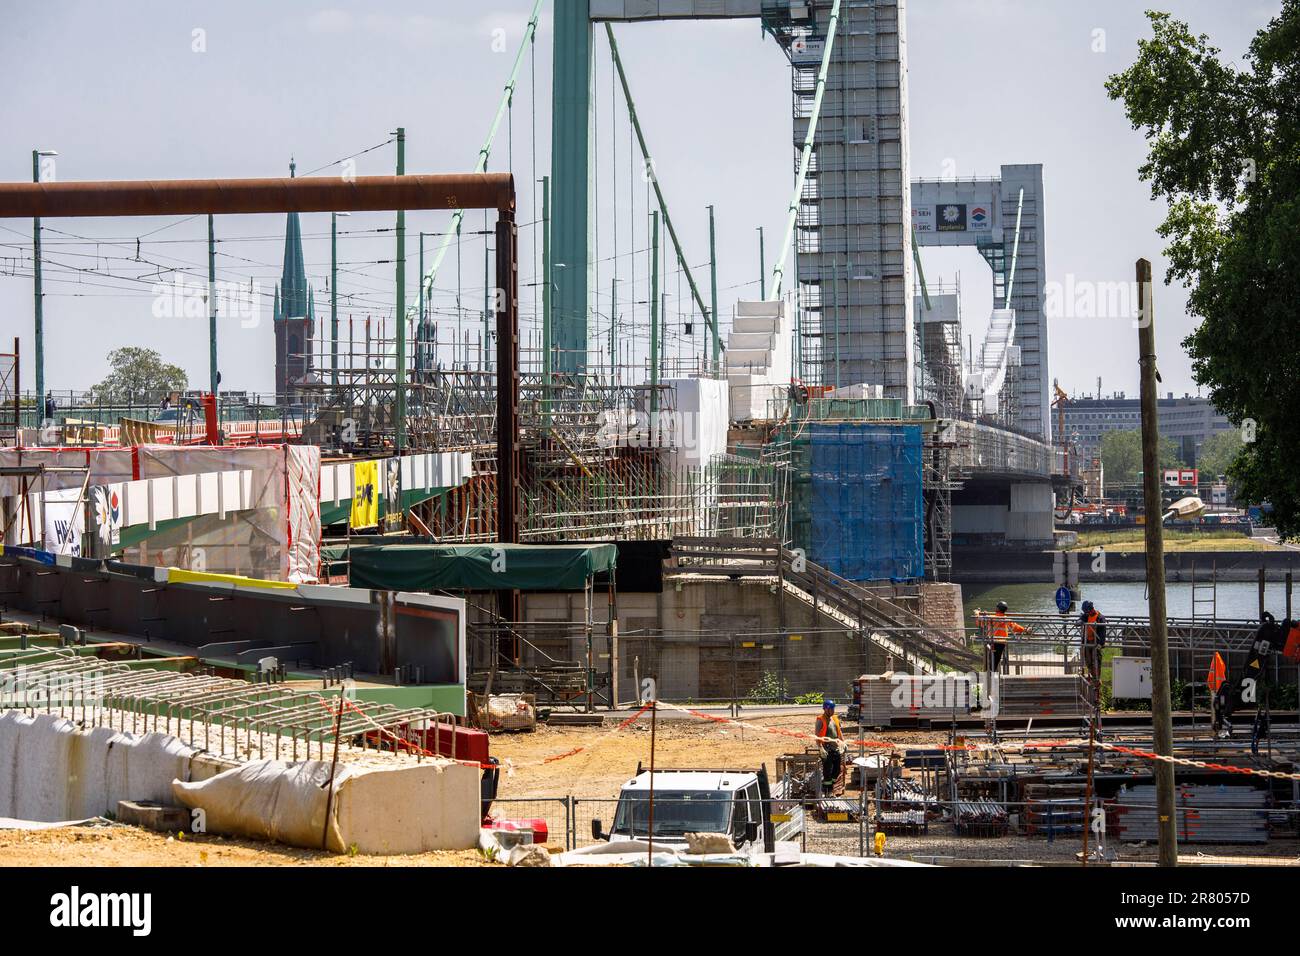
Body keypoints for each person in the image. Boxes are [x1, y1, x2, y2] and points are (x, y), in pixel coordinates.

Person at [979, 601, 1027, 674]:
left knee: (988, 661)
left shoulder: (991, 618)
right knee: (995, 661)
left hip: (992, 642)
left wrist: (979, 613)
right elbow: (1016, 627)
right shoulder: (1006, 619)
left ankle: (987, 677)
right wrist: (1025, 630)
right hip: (1001, 643)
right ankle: (991, 676)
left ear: (997, 608)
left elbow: (979, 622)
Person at [815, 699, 844, 795]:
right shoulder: (820, 720)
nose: (832, 711)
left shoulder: (835, 719)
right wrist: (820, 748)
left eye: (833, 709)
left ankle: (828, 786)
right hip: (826, 749)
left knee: (837, 770)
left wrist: (843, 744)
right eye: (831, 709)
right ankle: (828, 791)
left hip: (835, 748)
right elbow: (817, 736)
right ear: (826, 709)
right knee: (827, 771)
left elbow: (839, 733)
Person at [1079, 600, 1106, 689]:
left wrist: (1100, 644)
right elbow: (1082, 617)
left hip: (1096, 643)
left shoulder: (1100, 618)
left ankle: (1097, 680)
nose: (1087, 613)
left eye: (1088, 611)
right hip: (1087, 642)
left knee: (1096, 662)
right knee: (1088, 661)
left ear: (1091, 609)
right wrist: (1079, 620)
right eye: (1086, 612)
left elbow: (1103, 632)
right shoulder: (1087, 615)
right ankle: (1094, 678)